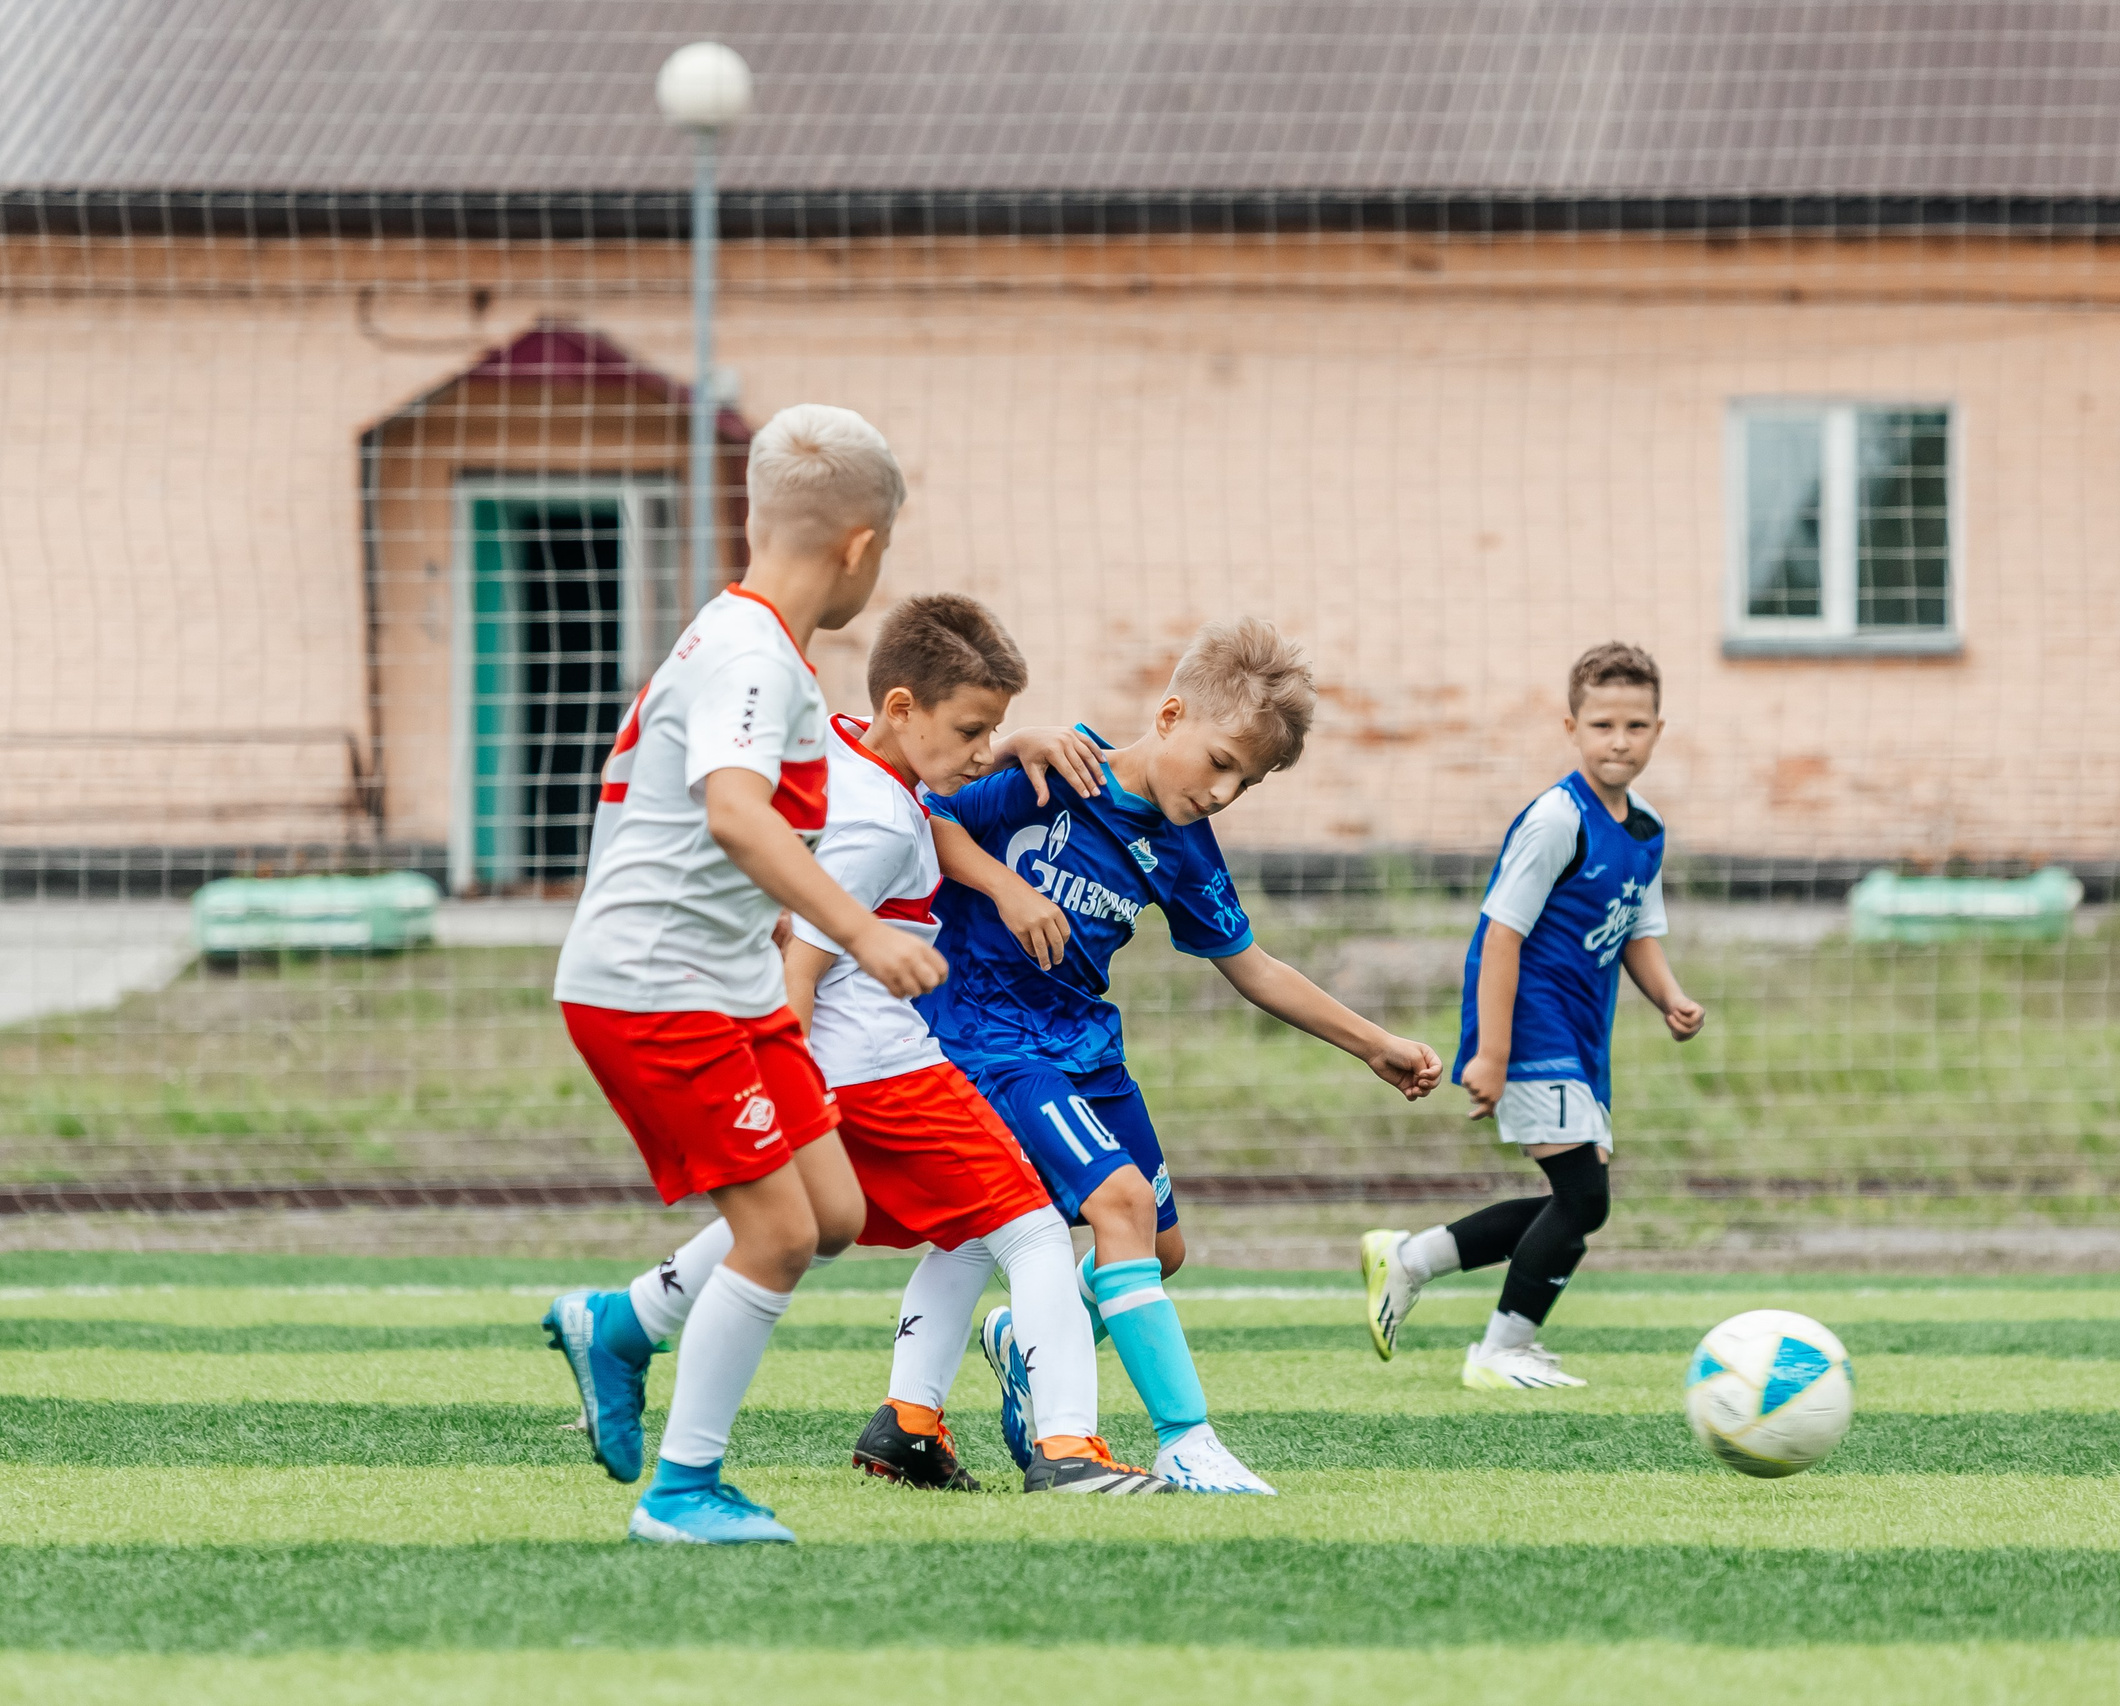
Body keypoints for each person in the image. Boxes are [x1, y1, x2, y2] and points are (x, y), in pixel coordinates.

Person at [584, 595, 1171, 1496]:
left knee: (823, 1226)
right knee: (1033, 1231)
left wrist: (1006, 770)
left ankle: (630, 1322)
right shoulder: (872, 822)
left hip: (847, 1064)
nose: (983, 751)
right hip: (873, 1065)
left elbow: (924, 801)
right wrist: (789, 1087)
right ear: (905, 709)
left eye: (993, 730)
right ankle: (1065, 1449)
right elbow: (801, 966)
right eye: (973, 729)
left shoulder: (860, 747)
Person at [912, 618, 1443, 1493]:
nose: (1229, 792)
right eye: (1223, 761)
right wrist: (1006, 779)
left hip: (1084, 1045)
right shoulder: (1057, 769)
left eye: (1252, 781)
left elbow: (1255, 968)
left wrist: (1375, 1045)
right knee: (1118, 1204)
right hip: (992, 1040)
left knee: (1160, 1249)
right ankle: (1184, 1439)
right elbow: (919, 817)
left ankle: (1025, 1341)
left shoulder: (1185, 847)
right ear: (1169, 715)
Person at [540, 403, 939, 1544]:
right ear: (862, 545)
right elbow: (732, 815)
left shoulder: (756, 643)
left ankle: (619, 1323)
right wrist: (862, 933)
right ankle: (682, 1492)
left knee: (833, 1212)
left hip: (723, 978)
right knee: (772, 1231)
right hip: (656, 987)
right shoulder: (755, 656)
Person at [1360, 641, 1705, 1389]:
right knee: (1584, 1198)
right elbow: (1498, 937)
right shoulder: (1556, 819)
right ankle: (1498, 1352)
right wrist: (1489, 1050)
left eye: (1636, 726)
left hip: (1585, 1031)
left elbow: (1637, 930)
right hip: (1532, 1024)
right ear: (1572, 727)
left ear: (1658, 730)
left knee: (1574, 1200)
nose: (1620, 740)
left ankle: (1410, 1259)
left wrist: (1670, 996)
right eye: (1604, 724)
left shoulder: (1645, 828)